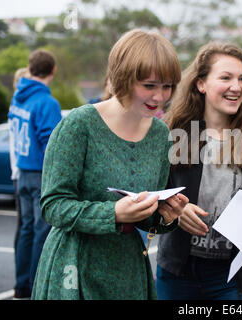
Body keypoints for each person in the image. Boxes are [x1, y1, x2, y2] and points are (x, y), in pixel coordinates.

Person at [31, 29, 188, 300]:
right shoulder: (79, 125)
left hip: (128, 269)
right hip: (74, 264)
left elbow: (148, 216)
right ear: (123, 78)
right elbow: (52, 206)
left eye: (168, 86)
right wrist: (113, 214)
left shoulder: (161, 135)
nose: (160, 97)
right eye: (149, 85)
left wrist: (165, 217)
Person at [156, 42, 242, 300]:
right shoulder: (171, 134)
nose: (236, 87)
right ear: (201, 84)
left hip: (236, 276)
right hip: (178, 272)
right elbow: (154, 193)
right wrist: (175, 209)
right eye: (226, 77)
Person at [7, 51, 62, 299]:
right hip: (40, 173)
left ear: (30, 68)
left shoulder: (19, 98)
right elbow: (51, 143)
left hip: (23, 172)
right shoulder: (46, 102)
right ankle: (35, 286)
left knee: (27, 229)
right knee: (42, 232)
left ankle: (21, 285)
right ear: (53, 71)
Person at [9, 67, 30, 253]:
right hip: (21, 169)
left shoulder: (16, 104)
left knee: (24, 224)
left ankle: (20, 276)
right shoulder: (22, 103)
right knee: (25, 224)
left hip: (19, 168)